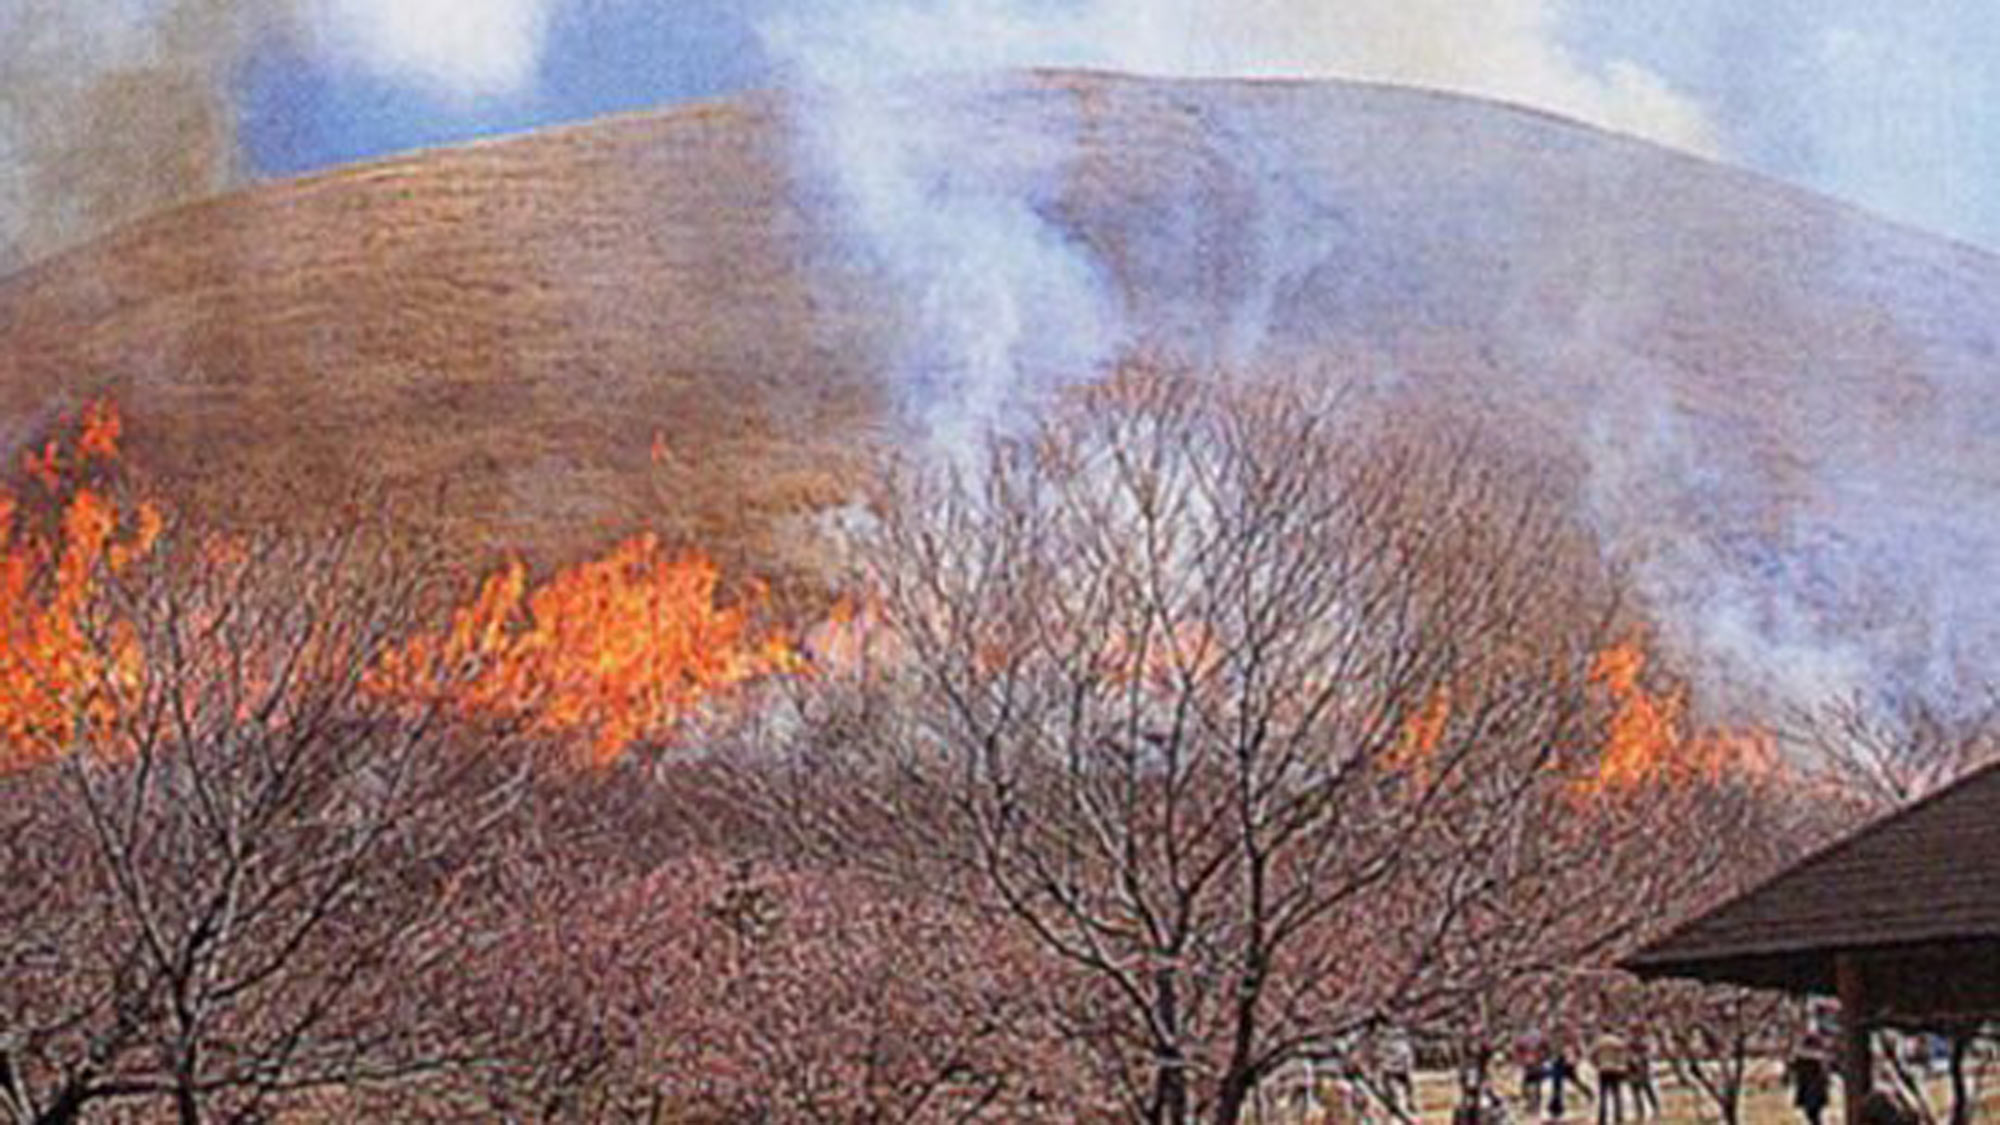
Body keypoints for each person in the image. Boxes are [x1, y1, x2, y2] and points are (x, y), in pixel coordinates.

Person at [1788, 1033, 1832, 1125]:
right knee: (1812, 1114)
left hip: (1813, 1088)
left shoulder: (1815, 1057)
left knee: (1813, 1113)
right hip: (1809, 1087)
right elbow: (1792, 1065)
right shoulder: (1805, 1057)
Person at [1590, 1030, 1630, 1125]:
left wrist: (1597, 1064)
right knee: (1616, 1094)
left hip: (1603, 1069)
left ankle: (1602, 1119)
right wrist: (1620, 1064)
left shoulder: (1598, 1042)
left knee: (1603, 1095)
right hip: (1614, 1069)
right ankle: (1618, 1117)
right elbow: (1623, 1055)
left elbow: (1591, 1055)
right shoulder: (1617, 1041)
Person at [1544, 1044, 1593, 1121]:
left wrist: (1573, 1062)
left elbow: (1574, 1060)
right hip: (1563, 1068)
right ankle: (1556, 1108)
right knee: (1559, 1086)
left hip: (1567, 1068)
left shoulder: (1570, 1050)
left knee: (1571, 1083)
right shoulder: (1565, 1051)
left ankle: (1588, 1094)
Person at [1625, 1022, 1659, 1120]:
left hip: (1642, 1070)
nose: (1633, 1033)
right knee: (1637, 1092)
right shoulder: (1630, 1041)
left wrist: (1639, 1060)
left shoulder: (1644, 1041)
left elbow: (1650, 1054)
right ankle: (1641, 1113)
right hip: (1634, 1070)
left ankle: (1653, 1110)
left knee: (1647, 1090)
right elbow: (1626, 1055)